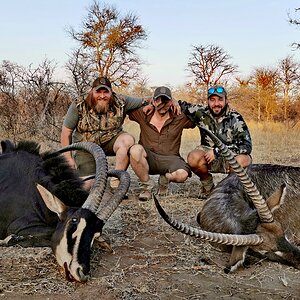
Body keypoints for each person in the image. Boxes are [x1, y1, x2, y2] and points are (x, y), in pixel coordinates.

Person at [61, 76, 150, 190]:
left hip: (111, 141)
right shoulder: (79, 104)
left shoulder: (121, 100)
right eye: (98, 92)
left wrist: (172, 101)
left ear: (111, 92)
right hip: (86, 147)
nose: (102, 96)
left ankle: (116, 180)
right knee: (88, 185)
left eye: (106, 92)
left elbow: (148, 99)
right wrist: (68, 158)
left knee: (128, 140)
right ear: (92, 91)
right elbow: (66, 132)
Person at [178, 85, 252, 198]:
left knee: (242, 160)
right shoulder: (201, 112)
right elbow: (179, 104)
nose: (216, 104)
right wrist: (150, 100)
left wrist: (217, 151)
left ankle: (231, 190)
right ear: (207, 101)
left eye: (220, 99)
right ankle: (208, 186)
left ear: (226, 100)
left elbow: (246, 146)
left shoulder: (236, 117)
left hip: (230, 157)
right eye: (212, 100)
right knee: (193, 158)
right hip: (208, 155)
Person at [128, 86, 195, 201]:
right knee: (135, 150)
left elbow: (198, 114)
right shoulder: (143, 113)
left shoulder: (179, 116)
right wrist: (147, 103)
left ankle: (165, 179)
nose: (162, 103)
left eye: (166, 100)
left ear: (171, 102)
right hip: (149, 158)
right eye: (158, 100)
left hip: (171, 159)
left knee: (182, 175)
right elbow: (127, 106)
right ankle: (146, 188)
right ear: (153, 101)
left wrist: (177, 102)